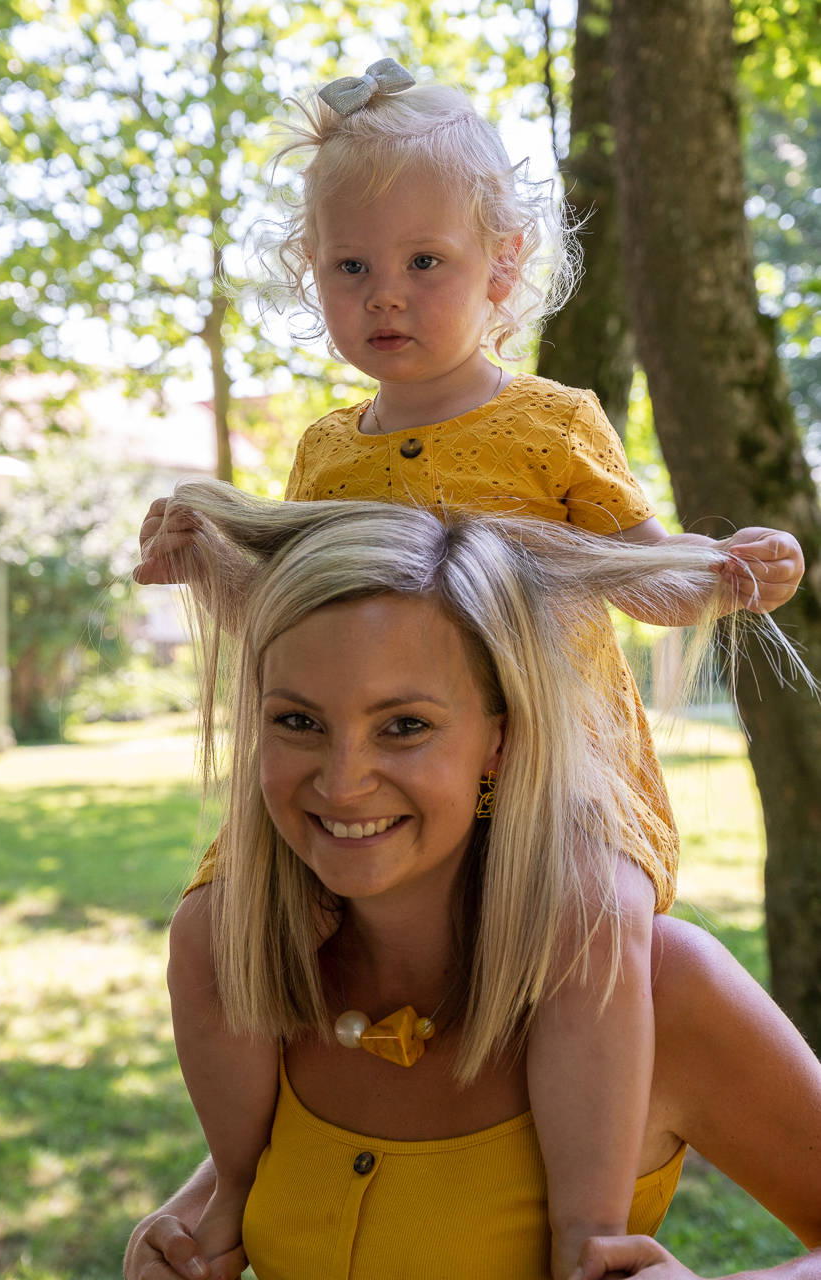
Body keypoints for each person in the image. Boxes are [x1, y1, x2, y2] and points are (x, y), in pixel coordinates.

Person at [133, 71, 805, 1276]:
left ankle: (587, 1224)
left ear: (503, 266)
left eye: (424, 262)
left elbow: (641, 575)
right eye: (350, 266)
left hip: (559, 780)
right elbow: (309, 625)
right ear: (311, 271)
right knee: (208, 927)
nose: (384, 293)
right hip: (397, 769)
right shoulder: (325, 449)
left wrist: (724, 573)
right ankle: (230, 1178)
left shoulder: (551, 423)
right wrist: (209, 560)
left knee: (593, 921)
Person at [128, 487, 816, 1280]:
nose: (342, 782)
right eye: (298, 721)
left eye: (404, 726)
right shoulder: (257, 975)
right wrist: (183, 1236)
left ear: (500, 738)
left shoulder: (661, 986)